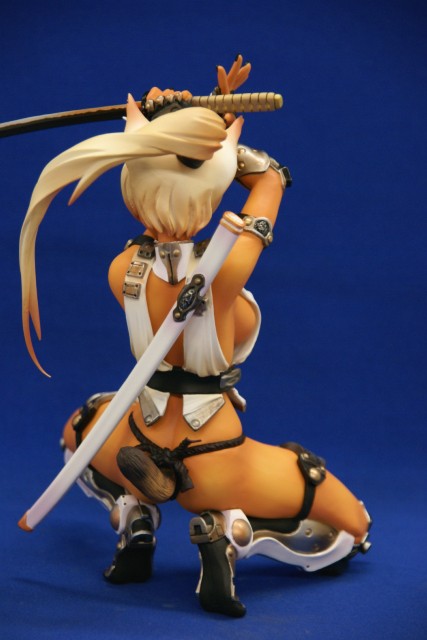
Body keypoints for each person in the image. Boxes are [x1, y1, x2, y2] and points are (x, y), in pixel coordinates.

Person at [20, 57, 371, 617]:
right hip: (215, 455)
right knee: (351, 522)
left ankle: (134, 514)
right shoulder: (225, 272)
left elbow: (162, 199)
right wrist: (214, 127)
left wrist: (171, 128)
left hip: (138, 434)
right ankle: (230, 532)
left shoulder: (122, 270)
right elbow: (269, 179)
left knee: (79, 430)